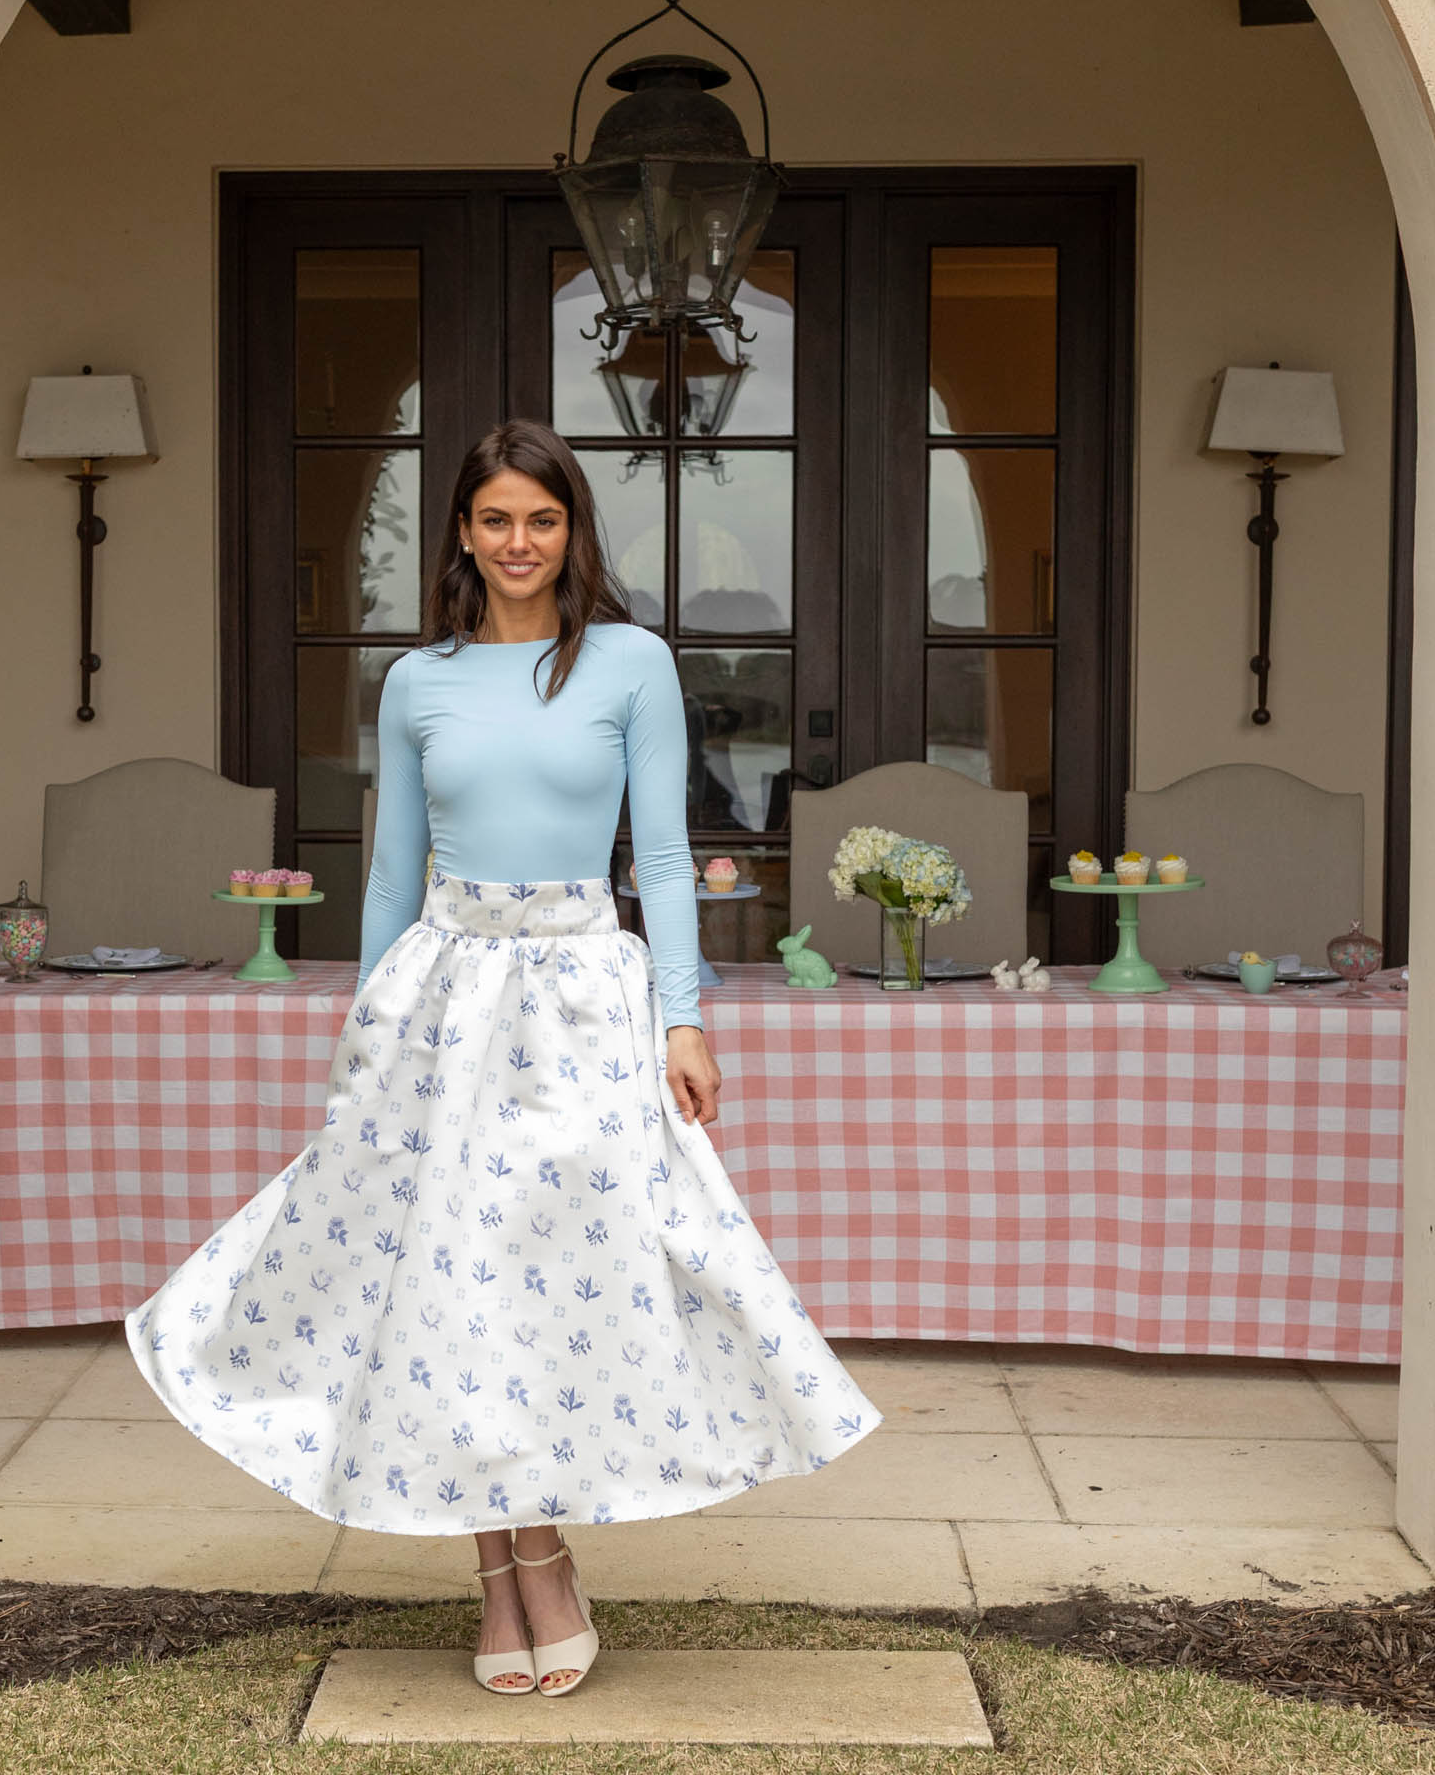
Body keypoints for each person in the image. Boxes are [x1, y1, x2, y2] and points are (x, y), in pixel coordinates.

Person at [128, 422, 881, 1697]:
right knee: (446, 1284)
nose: (518, 543)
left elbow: (655, 858)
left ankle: (547, 1557)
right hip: (441, 996)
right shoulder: (415, 682)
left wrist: (681, 1018)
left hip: (585, 993)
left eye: (540, 519)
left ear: (571, 529)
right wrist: (369, 1026)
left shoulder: (632, 665)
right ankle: (511, 1572)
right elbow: (390, 869)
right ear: (462, 536)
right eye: (494, 521)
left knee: (555, 1277)